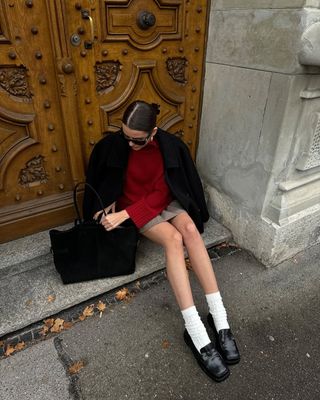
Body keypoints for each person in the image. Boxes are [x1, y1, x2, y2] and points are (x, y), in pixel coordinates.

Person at [83, 100, 240, 382]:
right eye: (125, 137)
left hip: (160, 201)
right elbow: (104, 179)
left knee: (190, 229)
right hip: (133, 204)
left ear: (153, 132)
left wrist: (127, 215)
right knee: (173, 238)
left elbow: (164, 191)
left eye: (138, 140)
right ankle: (195, 331)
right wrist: (111, 207)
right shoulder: (116, 145)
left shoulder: (168, 147)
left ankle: (220, 320)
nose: (129, 144)